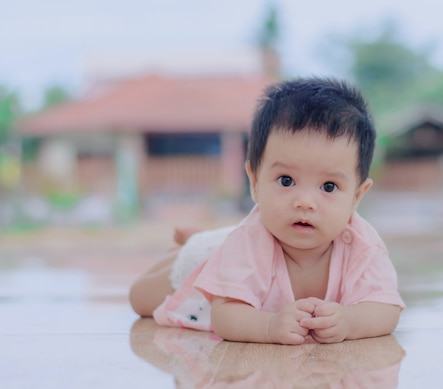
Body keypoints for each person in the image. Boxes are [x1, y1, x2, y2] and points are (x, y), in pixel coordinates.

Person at [129, 77, 405, 345]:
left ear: (357, 196)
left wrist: (350, 320)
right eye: (286, 181)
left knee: (228, 245)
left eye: (329, 186)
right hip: (222, 259)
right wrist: (269, 326)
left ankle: (209, 239)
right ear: (255, 182)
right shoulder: (249, 242)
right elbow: (224, 314)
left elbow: (386, 307)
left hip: (236, 251)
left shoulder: (363, 246)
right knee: (140, 299)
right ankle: (193, 245)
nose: (305, 202)